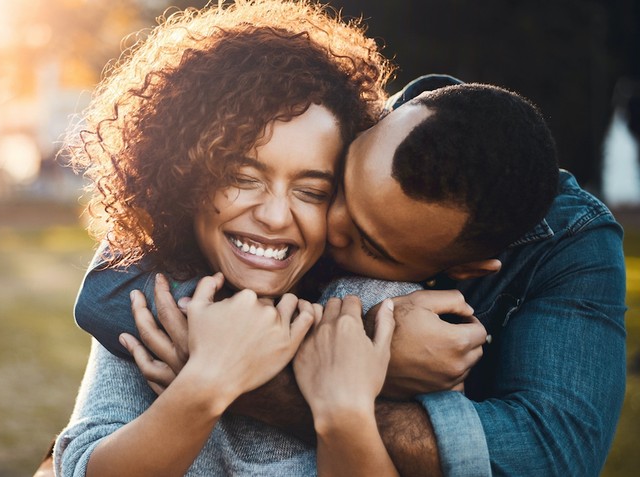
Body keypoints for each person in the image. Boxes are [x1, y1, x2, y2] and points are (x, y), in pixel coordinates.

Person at [80, 76, 627, 476]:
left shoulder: (550, 252)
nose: (324, 225)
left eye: (368, 242)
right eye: (337, 186)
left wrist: (338, 379)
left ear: (458, 270)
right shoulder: (319, 134)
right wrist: (361, 351)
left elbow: (550, 455)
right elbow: (106, 294)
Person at [53, 0, 410, 475]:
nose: (275, 215)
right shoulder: (153, 290)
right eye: (242, 178)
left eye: (311, 191)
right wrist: (209, 381)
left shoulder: (378, 306)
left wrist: (340, 413)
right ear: (183, 176)